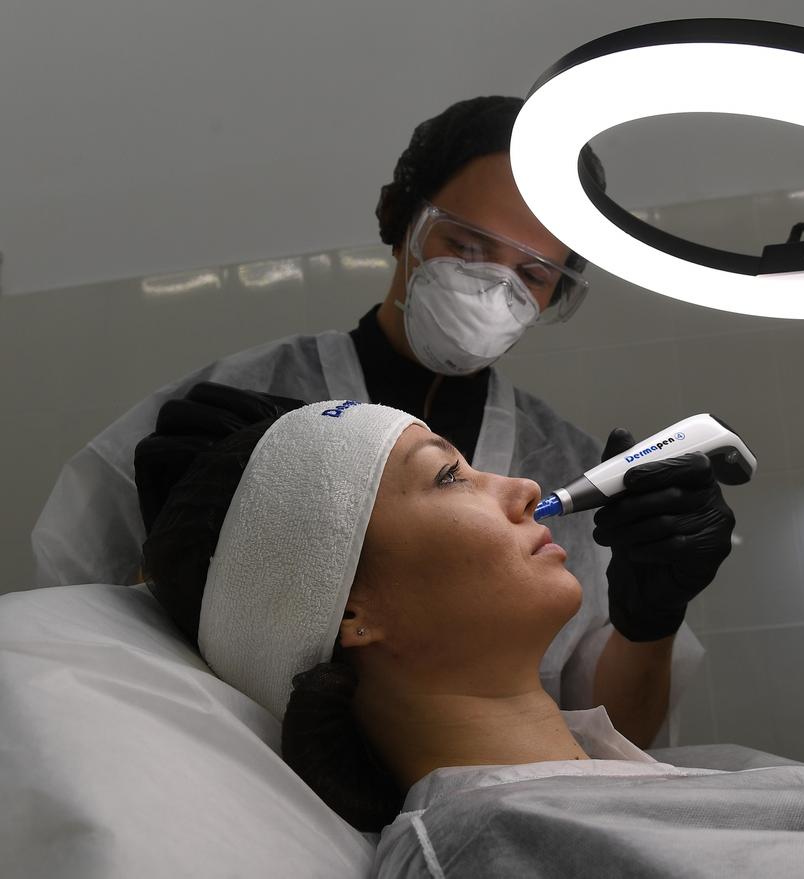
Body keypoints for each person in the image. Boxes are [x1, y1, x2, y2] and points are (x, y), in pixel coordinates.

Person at [32, 96, 735, 748]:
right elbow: (88, 624)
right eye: (466, 245)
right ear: (400, 220)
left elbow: (612, 739)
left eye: (534, 274)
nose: (495, 286)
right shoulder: (236, 409)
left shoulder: (565, 467)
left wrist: (651, 621)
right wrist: (168, 561)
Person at [133, 384, 804, 878]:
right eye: (447, 476)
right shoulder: (481, 849)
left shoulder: (629, 792)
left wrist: (651, 617)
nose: (519, 486)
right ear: (349, 611)